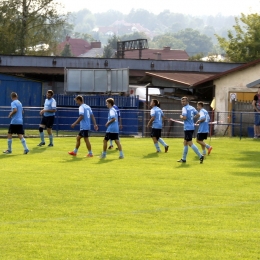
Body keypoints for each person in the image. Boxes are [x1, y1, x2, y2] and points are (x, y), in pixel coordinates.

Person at [177, 97, 204, 164]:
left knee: (190, 143)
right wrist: (192, 119)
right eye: (182, 101)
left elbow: (185, 117)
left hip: (187, 128)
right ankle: (183, 159)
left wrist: (181, 117)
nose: (183, 102)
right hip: (191, 127)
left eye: (184, 101)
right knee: (185, 143)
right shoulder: (192, 107)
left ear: (187, 101)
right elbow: (198, 114)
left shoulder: (184, 108)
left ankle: (200, 156)